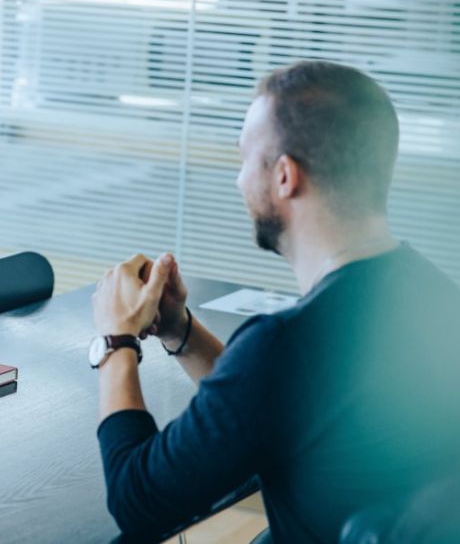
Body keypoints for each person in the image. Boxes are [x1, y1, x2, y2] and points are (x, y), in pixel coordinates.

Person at [88, 61, 460, 542]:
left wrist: (115, 341)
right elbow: (274, 403)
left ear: (285, 176)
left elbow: (138, 502)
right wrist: (179, 330)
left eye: (245, 159)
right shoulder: (433, 296)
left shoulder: (288, 344)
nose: (238, 180)